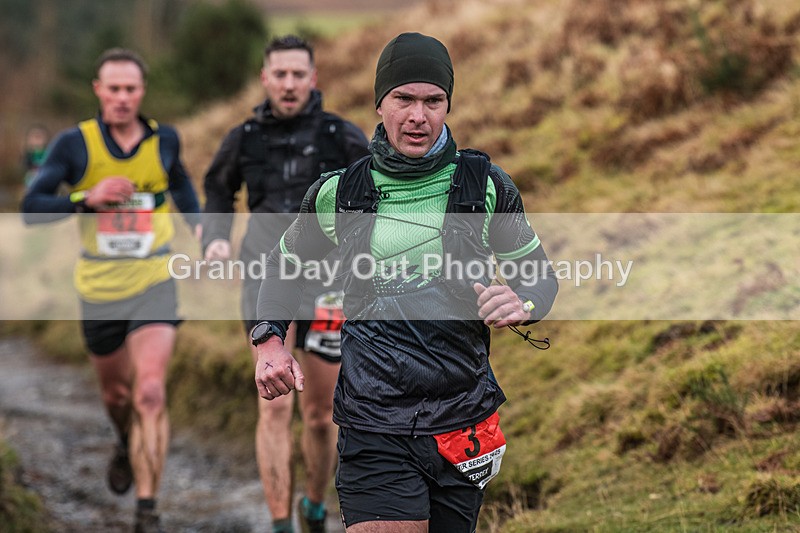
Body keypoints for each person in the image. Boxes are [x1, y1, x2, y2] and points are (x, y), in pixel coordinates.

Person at [252, 32, 559, 533]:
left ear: (447, 105)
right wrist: (269, 341)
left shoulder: (484, 186)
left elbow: (539, 278)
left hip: (462, 419)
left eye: (433, 101)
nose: (418, 116)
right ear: (380, 103)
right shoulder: (340, 193)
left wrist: (522, 302)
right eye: (404, 99)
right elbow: (282, 266)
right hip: (373, 422)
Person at [22, 48, 200, 533]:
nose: (122, 97)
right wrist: (85, 198)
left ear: (142, 92)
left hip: (155, 279)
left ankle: (147, 511)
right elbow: (31, 208)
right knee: (118, 395)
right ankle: (125, 442)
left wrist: (206, 230)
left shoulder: (165, 139)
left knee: (150, 393)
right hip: (99, 288)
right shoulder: (73, 145)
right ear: (98, 90)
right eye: (114, 88)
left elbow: (181, 187)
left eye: (131, 89)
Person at [202, 35, 369, 533]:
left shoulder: (342, 135)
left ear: (313, 78)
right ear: (265, 79)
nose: (290, 84)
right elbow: (217, 190)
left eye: (299, 74)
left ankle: (314, 507)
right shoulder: (244, 137)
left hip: (328, 284)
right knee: (274, 409)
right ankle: (280, 525)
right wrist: (215, 238)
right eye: (280, 74)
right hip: (264, 279)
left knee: (321, 413)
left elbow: (376, 195)